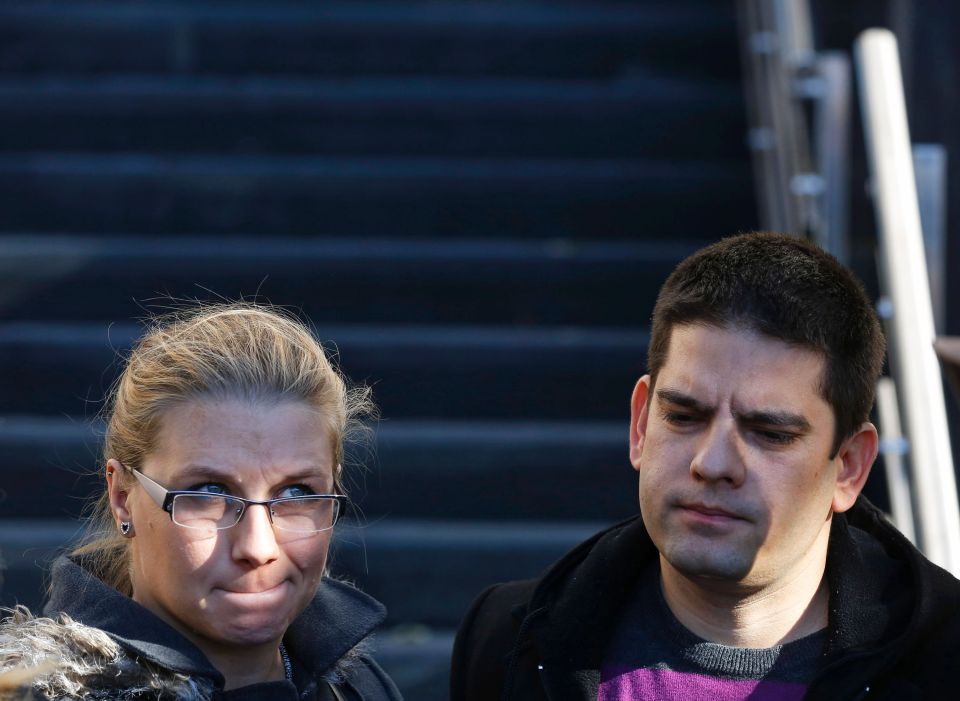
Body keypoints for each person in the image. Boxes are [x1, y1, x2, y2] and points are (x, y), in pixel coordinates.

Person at [450, 232, 960, 700]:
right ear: (642, 425)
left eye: (770, 434)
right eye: (684, 416)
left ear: (848, 467)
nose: (713, 464)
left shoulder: (943, 665)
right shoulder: (504, 642)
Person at [0, 304, 402, 700]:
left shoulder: (359, 686)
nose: (258, 548)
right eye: (210, 492)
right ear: (122, 497)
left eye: (296, 492)